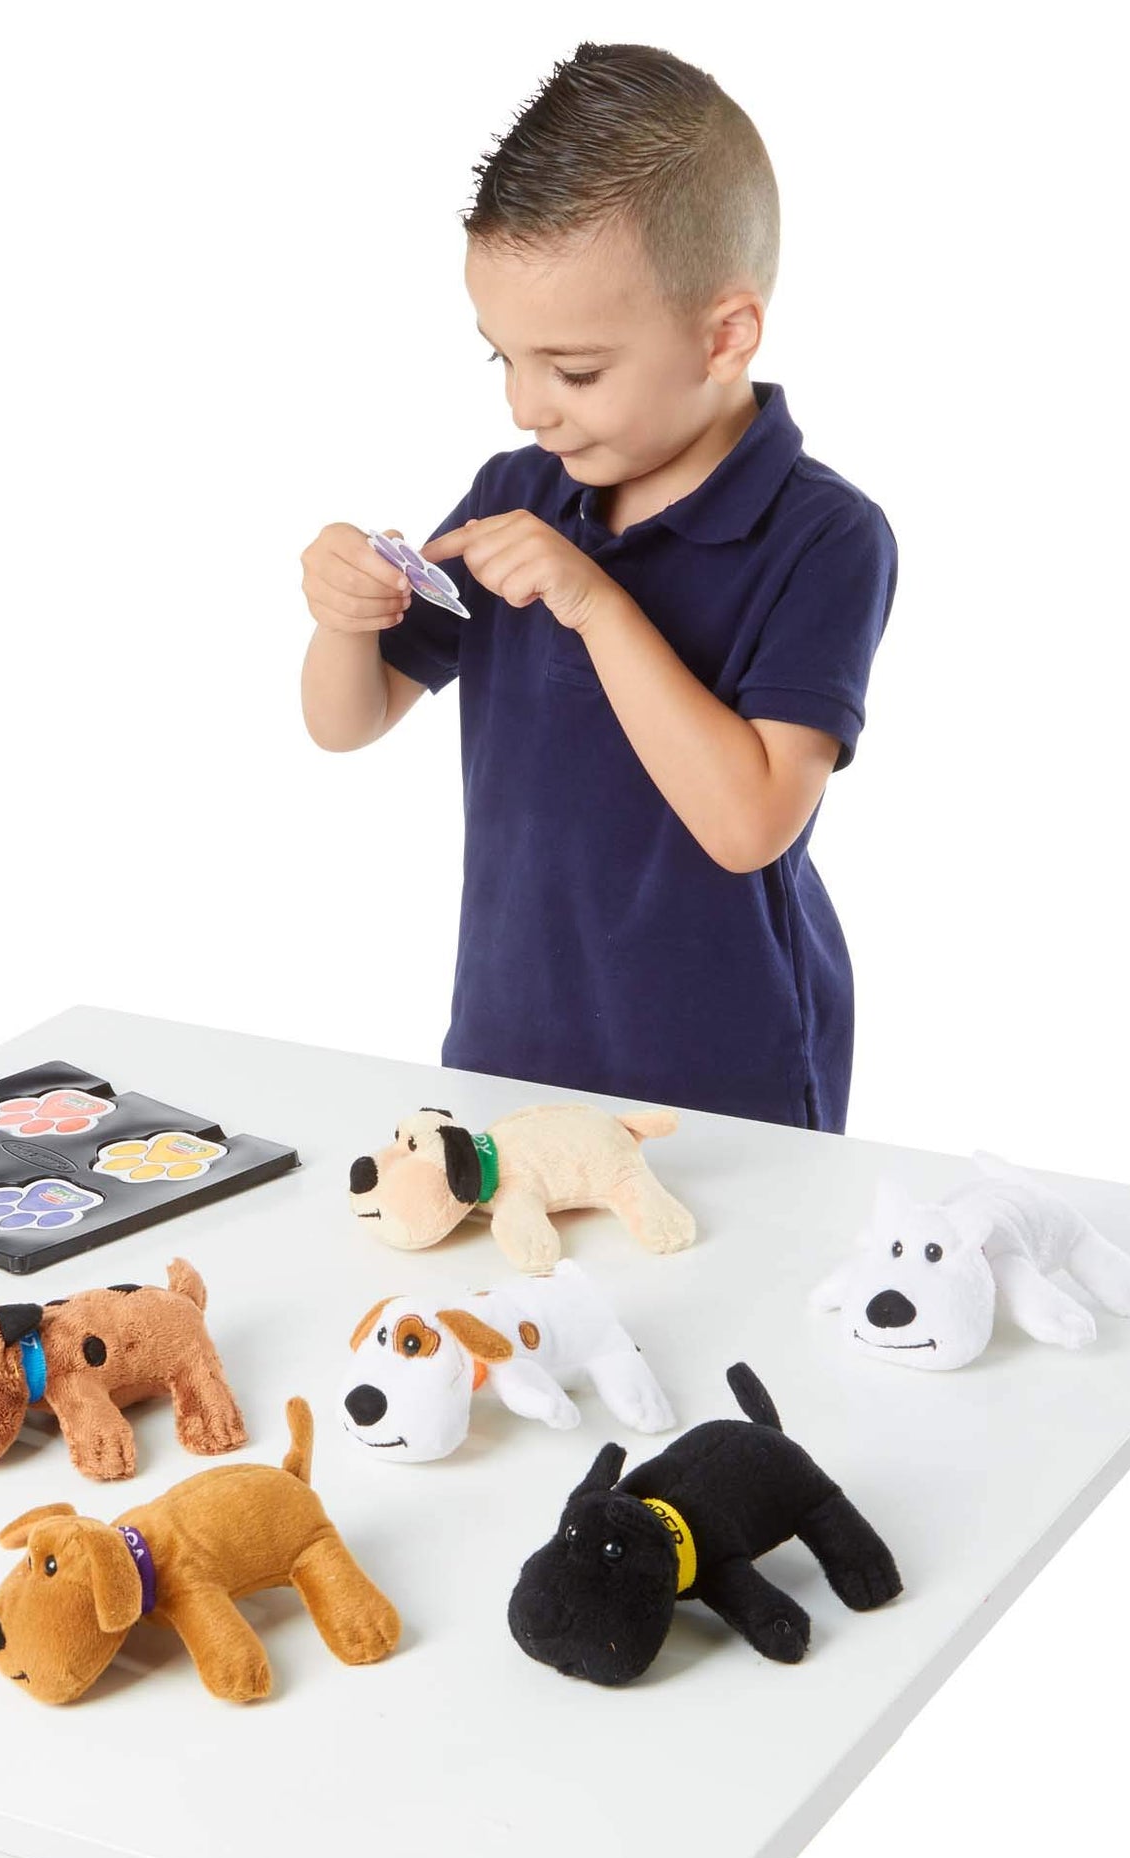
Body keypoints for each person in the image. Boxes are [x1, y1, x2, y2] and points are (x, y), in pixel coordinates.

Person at [299, 41, 898, 1131]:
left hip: (725, 1086)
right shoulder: (516, 492)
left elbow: (750, 823)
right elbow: (349, 720)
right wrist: (345, 616)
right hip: (506, 1056)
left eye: (573, 370)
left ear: (724, 337)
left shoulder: (824, 536)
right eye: (502, 358)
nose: (526, 407)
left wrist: (596, 605)